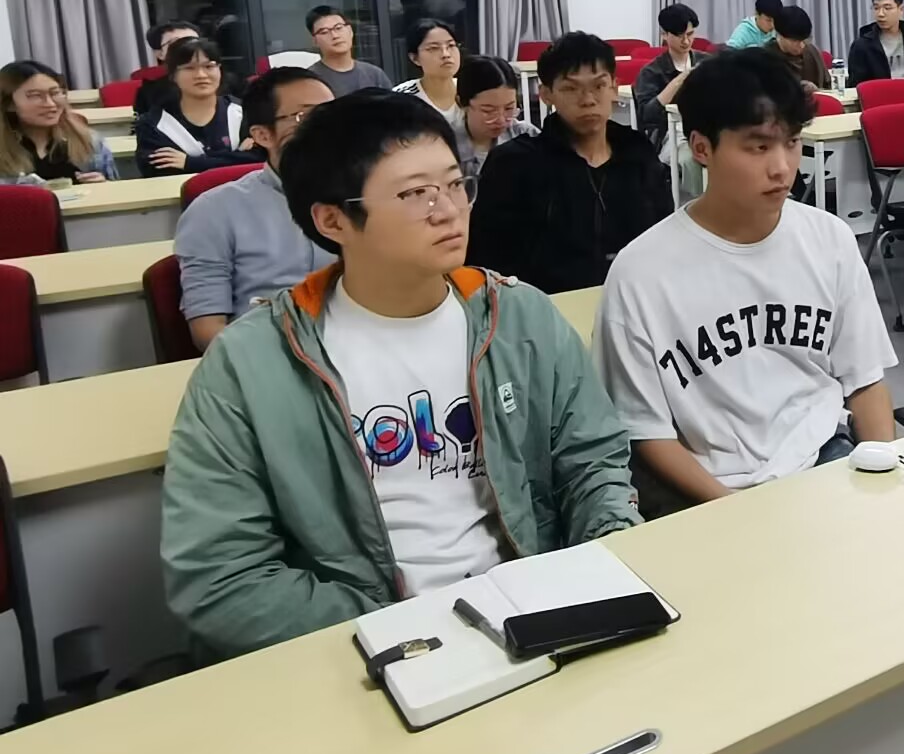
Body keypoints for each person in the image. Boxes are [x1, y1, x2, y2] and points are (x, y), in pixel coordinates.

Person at [160, 92, 639, 659]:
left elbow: (593, 460)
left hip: (532, 614)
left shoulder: (517, 317)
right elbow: (219, 577)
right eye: (415, 194)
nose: (448, 210)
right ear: (333, 220)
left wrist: (602, 570)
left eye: (456, 184)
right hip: (373, 644)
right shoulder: (253, 363)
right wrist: (399, 631)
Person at [595, 53, 898, 516]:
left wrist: (884, 476)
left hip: (824, 455)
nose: (782, 167)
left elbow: (865, 381)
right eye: (758, 147)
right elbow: (647, 432)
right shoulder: (640, 273)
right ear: (702, 148)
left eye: (792, 142)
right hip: (709, 489)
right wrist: (736, 513)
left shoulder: (829, 238)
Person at [468, 32, 672, 292]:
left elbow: (663, 238)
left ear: (614, 87)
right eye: (570, 88)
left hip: (634, 299)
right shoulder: (514, 164)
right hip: (548, 307)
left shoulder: (638, 153)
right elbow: (488, 262)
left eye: (598, 86)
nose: (588, 100)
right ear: (546, 94)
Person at [175, 68, 336, 350]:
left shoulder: (367, 196)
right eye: (307, 116)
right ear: (263, 135)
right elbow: (207, 331)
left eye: (333, 113)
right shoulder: (214, 210)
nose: (329, 127)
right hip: (268, 354)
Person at [134, 36, 259, 177]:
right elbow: (158, 171)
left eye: (209, 66)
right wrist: (237, 156)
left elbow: (260, 158)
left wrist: (190, 163)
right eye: (189, 68)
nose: (201, 75)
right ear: (173, 75)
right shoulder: (154, 124)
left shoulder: (246, 112)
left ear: (220, 70)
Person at [0, 60, 117, 184]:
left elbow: (115, 188)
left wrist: (103, 185)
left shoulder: (90, 142)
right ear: (9, 103)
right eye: (35, 95)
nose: (50, 104)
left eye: (55, 93)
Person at [632, 3, 711, 156]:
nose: (686, 41)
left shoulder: (707, 62)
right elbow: (648, 115)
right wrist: (680, 80)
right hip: (670, 134)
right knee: (691, 158)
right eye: (679, 36)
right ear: (664, 35)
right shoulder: (651, 72)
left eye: (690, 34)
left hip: (707, 128)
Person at [450, 55, 535, 179]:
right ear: (461, 103)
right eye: (488, 111)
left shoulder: (526, 136)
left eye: (509, 108)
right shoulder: (445, 144)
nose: (501, 120)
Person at [305, 5, 393, 96]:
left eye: (338, 28)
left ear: (350, 31)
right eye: (324, 32)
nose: (335, 36)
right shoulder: (310, 81)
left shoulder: (375, 75)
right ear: (315, 41)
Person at [392, 18, 461, 121]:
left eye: (451, 45)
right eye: (434, 48)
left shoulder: (473, 90)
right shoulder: (402, 98)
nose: (446, 54)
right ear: (415, 58)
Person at [133, 19, 201, 115]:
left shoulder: (221, 81)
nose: (188, 48)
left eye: (193, 42)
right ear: (160, 54)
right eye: (176, 42)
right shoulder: (149, 92)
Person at [769, 4, 830, 93]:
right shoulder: (766, 58)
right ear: (780, 35)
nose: (802, 45)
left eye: (805, 40)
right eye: (795, 41)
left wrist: (818, 91)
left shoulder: (811, 51)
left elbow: (828, 87)